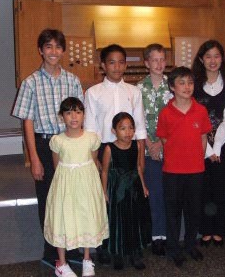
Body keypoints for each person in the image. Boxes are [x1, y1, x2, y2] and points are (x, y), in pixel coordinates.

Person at [12, 29, 84, 267]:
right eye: (48, 46)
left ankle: (71, 246)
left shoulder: (72, 80)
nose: (53, 51)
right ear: (40, 50)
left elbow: (78, 116)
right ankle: (50, 250)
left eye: (58, 47)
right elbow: (27, 121)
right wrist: (34, 158)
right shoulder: (30, 82)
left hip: (69, 143)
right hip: (44, 144)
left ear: (63, 51)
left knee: (71, 196)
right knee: (49, 199)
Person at [84, 44, 147, 264]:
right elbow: (90, 130)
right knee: (106, 202)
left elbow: (139, 127)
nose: (117, 66)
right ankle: (106, 247)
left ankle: (132, 247)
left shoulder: (134, 91)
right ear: (103, 65)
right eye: (111, 62)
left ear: (126, 65)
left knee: (129, 203)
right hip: (105, 150)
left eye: (121, 62)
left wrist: (140, 159)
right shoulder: (93, 92)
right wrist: (94, 160)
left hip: (129, 152)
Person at [44, 97, 109, 277]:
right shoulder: (58, 141)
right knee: (63, 219)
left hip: (87, 184)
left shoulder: (92, 138)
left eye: (78, 112)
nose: (74, 116)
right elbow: (57, 165)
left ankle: (87, 259)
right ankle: (62, 263)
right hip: (65, 185)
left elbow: (94, 160)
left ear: (83, 115)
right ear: (62, 116)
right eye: (68, 112)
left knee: (86, 216)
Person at [156, 66, 212, 267]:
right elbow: (163, 139)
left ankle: (190, 245)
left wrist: (198, 158)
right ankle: (173, 248)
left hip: (196, 170)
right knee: (173, 211)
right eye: (181, 82)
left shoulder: (201, 110)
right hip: (172, 171)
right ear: (172, 87)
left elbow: (203, 137)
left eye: (190, 82)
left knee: (193, 211)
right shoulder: (166, 113)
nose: (187, 87)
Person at [192, 40, 225, 247]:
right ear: (201, 59)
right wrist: (206, 150)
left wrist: (216, 148)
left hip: (221, 145)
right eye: (208, 56)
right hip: (198, 145)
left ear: (222, 58)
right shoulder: (193, 84)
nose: (212, 60)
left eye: (216, 56)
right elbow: (193, 119)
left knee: (218, 187)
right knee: (202, 188)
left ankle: (219, 230)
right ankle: (205, 230)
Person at [101, 112, 151, 270]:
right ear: (114, 131)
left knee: (134, 220)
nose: (128, 132)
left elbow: (137, 167)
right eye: (123, 128)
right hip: (117, 189)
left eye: (131, 128)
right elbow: (104, 171)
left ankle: (135, 252)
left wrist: (143, 185)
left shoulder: (137, 145)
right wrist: (104, 191)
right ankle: (118, 253)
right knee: (118, 221)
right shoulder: (109, 148)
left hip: (134, 188)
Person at [136, 43, 173, 256]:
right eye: (154, 60)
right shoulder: (138, 89)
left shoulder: (174, 86)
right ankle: (156, 236)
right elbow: (136, 119)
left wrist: (161, 141)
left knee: (171, 194)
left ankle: (169, 234)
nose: (159, 64)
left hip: (170, 148)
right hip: (148, 150)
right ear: (146, 63)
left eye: (162, 59)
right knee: (155, 194)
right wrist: (150, 144)